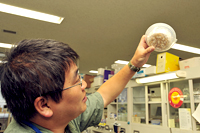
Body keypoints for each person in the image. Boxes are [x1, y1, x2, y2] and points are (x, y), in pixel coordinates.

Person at [0, 35, 154, 133]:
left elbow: (103, 95)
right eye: (76, 81)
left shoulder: (64, 119)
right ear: (44, 105)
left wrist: (135, 63)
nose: (84, 85)